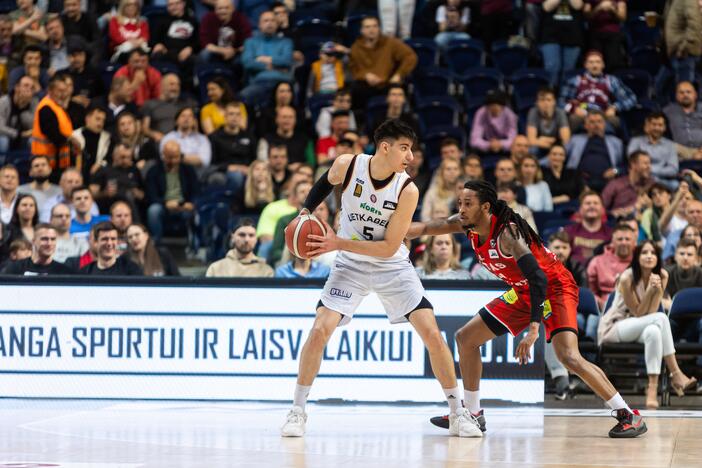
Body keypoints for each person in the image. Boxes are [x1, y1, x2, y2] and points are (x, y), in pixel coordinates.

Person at [279, 119, 473, 438]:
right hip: (350, 266)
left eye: (411, 149)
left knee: (433, 334)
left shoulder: (407, 189)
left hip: (391, 267)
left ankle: (457, 411)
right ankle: (297, 411)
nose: (410, 156)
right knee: (318, 330)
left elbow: (387, 248)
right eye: (404, 148)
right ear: (385, 147)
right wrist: (305, 212)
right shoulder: (348, 164)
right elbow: (324, 183)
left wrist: (337, 242)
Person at [408, 179, 647, 438]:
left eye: (468, 204)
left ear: (485, 207)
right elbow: (425, 226)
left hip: (554, 288)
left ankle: (627, 415)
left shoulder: (508, 236)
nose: (462, 209)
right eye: (460, 203)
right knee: (466, 339)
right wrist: (388, 230)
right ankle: (474, 415)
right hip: (524, 290)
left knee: (568, 355)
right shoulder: (467, 224)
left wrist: (534, 328)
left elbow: (539, 279)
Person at [598, 240, 697, 409]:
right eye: (644, 252)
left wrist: (656, 290)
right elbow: (637, 312)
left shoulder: (663, 276)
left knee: (654, 331)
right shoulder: (626, 278)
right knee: (661, 318)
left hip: (643, 323)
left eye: (653, 253)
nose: (649, 256)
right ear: (637, 257)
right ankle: (676, 374)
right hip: (617, 326)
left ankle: (652, 390)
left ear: (658, 258)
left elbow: (649, 313)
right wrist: (652, 291)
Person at [348, 16, 417, 112]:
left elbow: (410, 57)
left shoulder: (391, 43)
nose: (371, 30)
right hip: (365, 85)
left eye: (375, 26)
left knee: (397, 92)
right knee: (355, 90)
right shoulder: (355, 48)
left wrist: (399, 74)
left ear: (379, 28)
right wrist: (365, 75)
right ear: (362, 30)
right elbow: (354, 69)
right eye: (367, 27)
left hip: (388, 83)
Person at [559, 50, 636, 130]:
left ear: (603, 65)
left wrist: (615, 107)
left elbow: (631, 98)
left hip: (603, 113)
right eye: (591, 62)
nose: (594, 65)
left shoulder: (611, 80)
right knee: (573, 119)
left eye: (598, 62)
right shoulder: (575, 80)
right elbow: (561, 102)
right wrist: (573, 109)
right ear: (586, 65)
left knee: (615, 121)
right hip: (582, 113)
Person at [145, 140, 199, 243]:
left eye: (176, 157)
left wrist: (192, 204)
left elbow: (196, 191)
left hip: (184, 205)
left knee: (194, 212)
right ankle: (157, 242)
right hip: (163, 205)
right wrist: (165, 203)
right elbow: (151, 196)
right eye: (170, 157)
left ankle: (194, 245)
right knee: (153, 210)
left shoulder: (188, 170)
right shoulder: (154, 171)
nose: (173, 160)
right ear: (163, 156)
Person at [239, 11, 294, 105]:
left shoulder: (286, 42)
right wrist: (271, 66)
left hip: (282, 82)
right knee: (242, 97)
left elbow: (287, 61)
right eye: (266, 21)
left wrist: (266, 59)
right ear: (259, 25)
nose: (269, 23)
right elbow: (247, 63)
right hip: (259, 82)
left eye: (273, 20)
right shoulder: (250, 42)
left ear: (277, 24)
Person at [565, 110, 624, 192]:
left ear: (604, 124)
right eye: (592, 122)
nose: (596, 125)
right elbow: (561, 156)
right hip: (580, 181)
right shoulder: (575, 140)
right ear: (585, 125)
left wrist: (615, 171)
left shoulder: (616, 142)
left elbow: (624, 166)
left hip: (608, 181)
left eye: (599, 121)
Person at [31, 74, 77, 175]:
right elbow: (53, 134)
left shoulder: (57, 106)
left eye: (64, 91)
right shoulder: (46, 108)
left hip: (57, 160)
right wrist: (70, 141)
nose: (63, 94)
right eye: (59, 91)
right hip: (46, 161)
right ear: (50, 91)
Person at [208, 101, 256, 192]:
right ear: (225, 117)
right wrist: (229, 167)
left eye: (238, 114)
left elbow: (254, 158)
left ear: (241, 117)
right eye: (231, 114)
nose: (234, 117)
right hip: (224, 170)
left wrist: (251, 169)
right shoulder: (214, 137)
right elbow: (212, 163)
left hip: (247, 170)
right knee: (236, 176)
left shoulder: (249, 136)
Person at [587, 223, 637, 309]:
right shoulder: (597, 261)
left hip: (634, 308)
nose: (624, 242)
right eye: (620, 239)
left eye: (627, 239)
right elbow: (590, 292)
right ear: (612, 242)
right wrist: (600, 303)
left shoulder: (641, 262)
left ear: (634, 242)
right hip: (602, 308)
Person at [627, 112, 679, 189]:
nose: (657, 128)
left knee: (677, 185)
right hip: (640, 179)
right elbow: (633, 163)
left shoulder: (670, 145)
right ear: (647, 125)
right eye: (654, 124)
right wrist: (658, 170)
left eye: (660, 125)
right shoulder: (635, 141)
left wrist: (649, 170)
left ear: (664, 127)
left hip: (662, 180)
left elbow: (673, 169)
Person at [206, 218, 274, 277]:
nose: (246, 240)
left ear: (256, 239)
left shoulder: (266, 271)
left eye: (251, 235)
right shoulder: (215, 268)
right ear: (232, 238)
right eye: (242, 235)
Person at [538, 0, 585, 86]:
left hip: (573, 35)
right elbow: (546, 7)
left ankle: (565, 96)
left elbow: (578, 5)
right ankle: (551, 96)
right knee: (552, 68)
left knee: (569, 71)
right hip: (550, 35)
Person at [150, 0, 198, 82]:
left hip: (185, 54)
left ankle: (186, 86)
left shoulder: (193, 21)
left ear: (183, 4)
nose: (173, 7)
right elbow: (153, 40)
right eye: (170, 5)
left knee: (194, 60)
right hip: (167, 52)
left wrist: (190, 48)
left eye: (176, 4)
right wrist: (158, 44)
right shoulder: (161, 21)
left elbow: (198, 41)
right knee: (157, 55)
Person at [89, 143, 145, 213]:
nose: (126, 160)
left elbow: (144, 195)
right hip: (109, 205)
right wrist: (105, 193)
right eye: (123, 157)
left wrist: (136, 192)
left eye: (129, 157)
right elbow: (91, 195)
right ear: (114, 156)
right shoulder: (103, 170)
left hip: (132, 205)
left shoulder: (134, 170)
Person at [1, 222, 74, 274]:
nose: (49, 243)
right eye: (44, 239)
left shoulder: (64, 272)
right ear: (33, 241)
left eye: (53, 239)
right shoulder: (15, 268)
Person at [142, 74, 197, 143]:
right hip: (159, 141)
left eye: (178, 85)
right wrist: (154, 134)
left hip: (183, 141)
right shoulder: (150, 104)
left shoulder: (186, 104)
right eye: (171, 84)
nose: (175, 88)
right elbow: (145, 128)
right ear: (162, 86)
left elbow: (194, 124)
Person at [601, 150, 655, 218]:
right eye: (645, 163)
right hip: (618, 224)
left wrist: (651, 205)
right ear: (633, 165)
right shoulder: (615, 185)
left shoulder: (651, 184)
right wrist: (614, 213)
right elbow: (600, 209)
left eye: (650, 163)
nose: (649, 166)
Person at [564, 190, 613, 265]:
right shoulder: (568, 232)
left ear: (603, 210)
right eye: (588, 203)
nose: (592, 206)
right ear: (580, 209)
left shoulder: (611, 234)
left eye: (596, 203)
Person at [664, 0, 702, 85]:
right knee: (660, 87)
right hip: (674, 52)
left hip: (684, 54)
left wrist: (684, 48)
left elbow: (695, 25)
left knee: (685, 90)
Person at [470, 89, 517, 156]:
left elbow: (513, 139)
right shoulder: (481, 113)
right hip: (485, 148)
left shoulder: (510, 115)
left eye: (496, 105)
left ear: (502, 106)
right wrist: (488, 145)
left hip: (505, 150)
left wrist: (500, 144)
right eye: (490, 105)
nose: (493, 107)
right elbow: (474, 140)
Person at [71, 105, 113, 182]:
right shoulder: (74, 136)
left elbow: (109, 159)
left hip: (98, 178)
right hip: (75, 176)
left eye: (103, 120)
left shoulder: (107, 138)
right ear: (87, 118)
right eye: (97, 119)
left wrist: (100, 164)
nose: (100, 123)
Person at [582, 0, 627, 72]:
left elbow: (623, 17)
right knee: (595, 62)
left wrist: (612, 10)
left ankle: (610, 81)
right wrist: (599, 8)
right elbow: (586, 16)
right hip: (595, 34)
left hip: (613, 35)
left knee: (613, 62)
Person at [662, 81, 702, 159]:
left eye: (688, 92)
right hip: (679, 151)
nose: (685, 95)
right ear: (676, 96)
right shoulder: (668, 111)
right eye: (681, 92)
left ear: (695, 95)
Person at [526, 87, 570, 155]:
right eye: (542, 100)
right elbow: (531, 141)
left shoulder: (560, 113)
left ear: (554, 102)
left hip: (556, 149)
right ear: (537, 102)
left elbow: (566, 140)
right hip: (539, 148)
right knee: (532, 149)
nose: (545, 103)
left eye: (548, 100)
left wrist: (541, 139)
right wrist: (552, 141)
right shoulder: (533, 112)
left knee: (564, 150)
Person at [18, 155, 62, 221]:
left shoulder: (60, 191)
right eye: (36, 166)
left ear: (50, 170)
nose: (40, 168)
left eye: (43, 165)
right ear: (30, 172)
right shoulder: (20, 191)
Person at [0, 75, 36, 153]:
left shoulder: (34, 103)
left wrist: (24, 108)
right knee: (3, 141)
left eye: (32, 87)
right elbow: (0, 127)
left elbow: (34, 126)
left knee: (33, 140)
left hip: (24, 138)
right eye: (26, 85)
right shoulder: (4, 102)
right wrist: (19, 134)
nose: (29, 89)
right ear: (17, 87)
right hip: (6, 136)